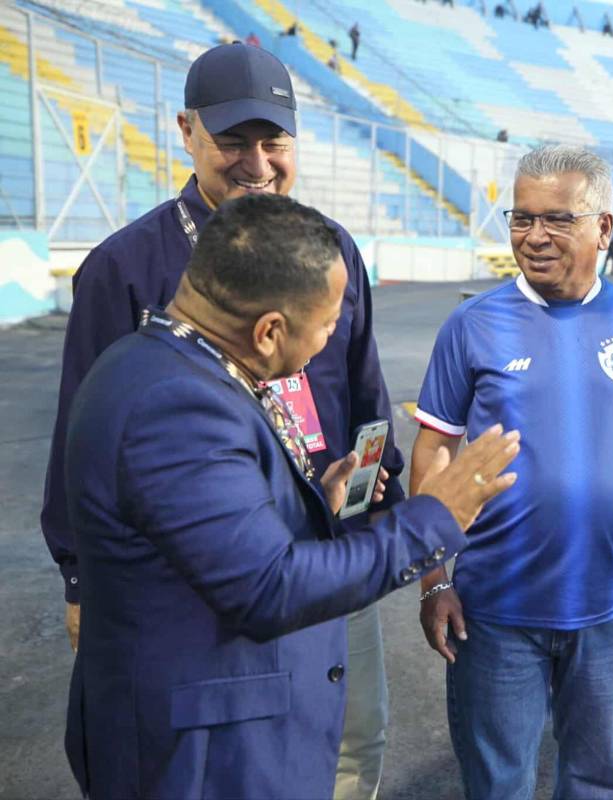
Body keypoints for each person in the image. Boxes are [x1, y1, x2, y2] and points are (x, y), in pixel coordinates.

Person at [63, 193, 520, 798]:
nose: (332, 338)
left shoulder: (162, 363)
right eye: (328, 324)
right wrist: (434, 518)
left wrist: (310, 503)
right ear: (270, 330)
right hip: (202, 761)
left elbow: (204, 531)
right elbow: (267, 588)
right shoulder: (176, 406)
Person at [40, 43, 401, 800]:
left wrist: (372, 503)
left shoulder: (332, 252)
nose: (257, 162)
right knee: (207, 764)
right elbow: (82, 434)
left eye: (274, 142)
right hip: (192, 584)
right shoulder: (125, 266)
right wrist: (80, 579)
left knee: (347, 743)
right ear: (186, 130)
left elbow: (365, 398)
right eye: (234, 140)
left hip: (328, 553)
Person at [411, 144, 613, 799]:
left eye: (558, 219)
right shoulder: (472, 324)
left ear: (603, 228)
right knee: (498, 785)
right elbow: (433, 452)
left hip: (608, 606)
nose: (534, 236)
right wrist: (431, 580)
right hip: (493, 612)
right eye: (522, 217)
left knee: (593, 778)